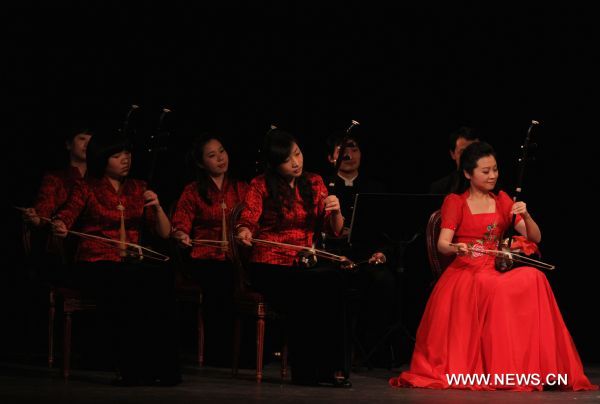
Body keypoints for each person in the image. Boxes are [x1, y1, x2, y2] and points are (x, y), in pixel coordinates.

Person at [390, 142, 598, 391]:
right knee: (493, 287)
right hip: (466, 271)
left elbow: (536, 238)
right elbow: (443, 244)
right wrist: (459, 248)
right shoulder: (456, 202)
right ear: (468, 174)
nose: (492, 176)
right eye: (485, 171)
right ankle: (498, 368)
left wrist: (527, 215)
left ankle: (530, 368)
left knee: (535, 277)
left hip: (494, 267)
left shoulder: (502, 200)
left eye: (495, 170)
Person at [52, 131, 181, 386]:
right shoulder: (86, 187)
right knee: (128, 283)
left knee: (161, 277)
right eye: (117, 155)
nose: (125, 159)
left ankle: (164, 370)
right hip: (95, 262)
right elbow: (65, 216)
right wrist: (60, 225)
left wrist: (156, 206)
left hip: (131, 262)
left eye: (127, 154)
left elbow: (165, 232)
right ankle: (133, 369)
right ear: (102, 158)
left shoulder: (139, 187)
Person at [236, 129, 351, 387]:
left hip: (303, 261)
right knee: (308, 288)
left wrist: (336, 211)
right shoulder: (260, 185)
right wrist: (244, 232)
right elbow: (248, 220)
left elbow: (334, 230)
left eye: (298, 154)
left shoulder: (315, 182)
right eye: (288, 160)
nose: (296, 162)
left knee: (334, 279)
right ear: (275, 164)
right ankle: (307, 372)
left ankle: (334, 369)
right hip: (269, 263)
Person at [171, 133, 248, 366]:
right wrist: (182, 234)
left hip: (236, 257)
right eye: (212, 155)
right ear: (201, 162)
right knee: (221, 280)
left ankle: (244, 352)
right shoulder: (193, 190)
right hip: (204, 257)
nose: (220, 158)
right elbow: (181, 221)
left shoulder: (242, 188)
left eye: (222, 151)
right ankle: (219, 353)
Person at [324, 133, 395, 367]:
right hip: (333, 256)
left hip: (366, 256)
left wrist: (382, 252)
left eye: (353, 148)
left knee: (384, 281)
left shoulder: (376, 188)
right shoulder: (322, 186)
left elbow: (386, 232)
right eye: (341, 149)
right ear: (329, 157)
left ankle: (374, 352)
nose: (348, 154)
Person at [429, 126, 478, 195]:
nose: (469, 156)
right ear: (453, 154)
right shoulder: (440, 188)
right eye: (463, 152)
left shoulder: (492, 186)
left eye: (474, 151)